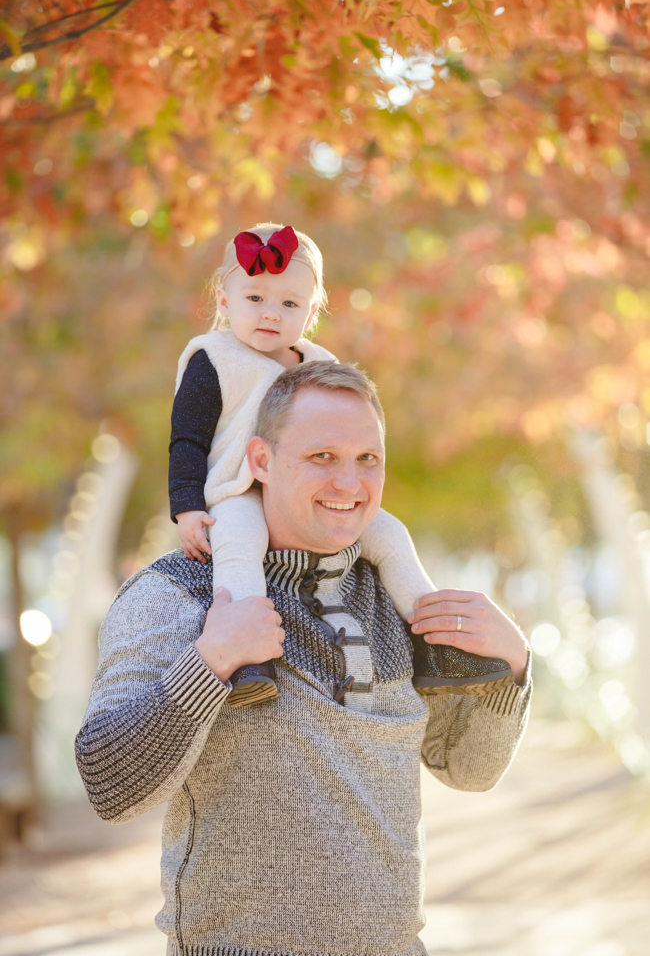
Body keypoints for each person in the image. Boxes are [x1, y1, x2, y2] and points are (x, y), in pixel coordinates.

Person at [76, 361, 531, 956]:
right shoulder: (176, 592)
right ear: (260, 461)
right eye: (323, 457)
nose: (350, 483)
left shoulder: (397, 600)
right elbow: (111, 788)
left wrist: (514, 667)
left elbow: (466, 769)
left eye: (368, 459)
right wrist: (210, 662)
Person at [169, 222, 513, 705]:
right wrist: (186, 507)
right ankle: (249, 659)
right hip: (237, 491)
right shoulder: (214, 359)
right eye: (255, 299)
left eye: (289, 304)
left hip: (309, 492)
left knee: (391, 536)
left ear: (310, 312)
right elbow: (186, 440)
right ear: (224, 302)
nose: (271, 315)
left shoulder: (317, 364)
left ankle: (435, 643)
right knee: (240, 543)